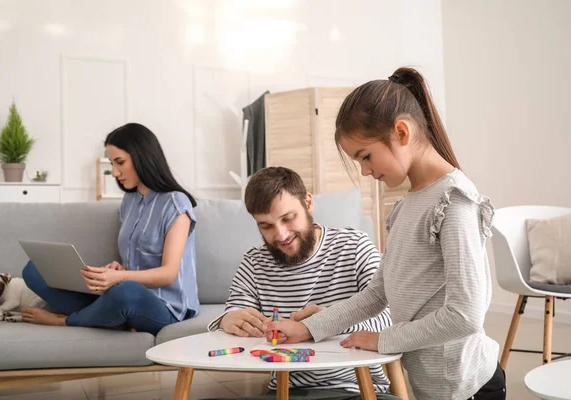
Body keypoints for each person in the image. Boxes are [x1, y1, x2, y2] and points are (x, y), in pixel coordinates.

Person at [264, 68, 506, 400]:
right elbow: (378, 293)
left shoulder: (454, 202)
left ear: (402, 132)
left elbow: (465, 315)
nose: (364, 170)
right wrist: (309, 328)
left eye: (365, 156)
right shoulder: (407, 207)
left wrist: (383, 340)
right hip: (435, 388)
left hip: (470, 387)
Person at [205, 167, 398, 400]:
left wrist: (323, 322)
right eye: (266, 226)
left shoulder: (354, 246)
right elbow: (233, 318)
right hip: (287, 391)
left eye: (288, 219)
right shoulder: (254, 263)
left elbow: (392, 320)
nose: (281, 235)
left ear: (308, 203)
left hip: (356, 389)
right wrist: (228, 319)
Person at [21, 123, 199, 335]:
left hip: (165, 307)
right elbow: (134, 264)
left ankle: (66, 321)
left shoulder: (176, 203)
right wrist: (118, 271)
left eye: (120, 162)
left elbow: (168, 274)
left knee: (126, 292)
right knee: (34, 270)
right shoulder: (129, 202)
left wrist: (120, 279)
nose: (114, 172)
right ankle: (110, 318)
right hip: (122, 293)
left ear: (142, 156)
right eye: (112, 163)